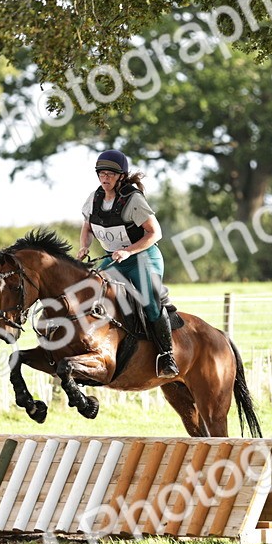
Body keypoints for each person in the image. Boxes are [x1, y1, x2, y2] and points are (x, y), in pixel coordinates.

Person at [77, 149, 179, 378]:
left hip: (143, 257)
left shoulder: (133, 200)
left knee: (150, 299)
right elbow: (87, 227)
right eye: (101, 174)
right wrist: (84, 246)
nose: (105, 179)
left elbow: (155, 233)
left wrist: (129, 251)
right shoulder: (93, 199)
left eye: (110, 175)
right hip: (113, 259)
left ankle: (167, 356)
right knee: (88, 289)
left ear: (121, 176)